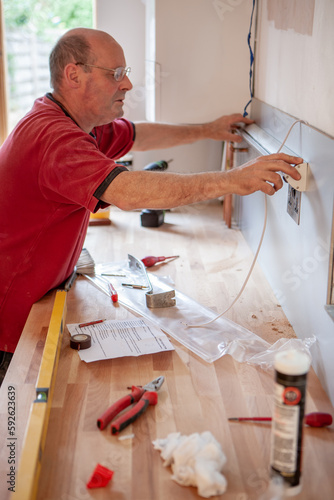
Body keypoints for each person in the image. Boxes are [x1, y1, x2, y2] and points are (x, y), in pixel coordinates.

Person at [0, 28, 302, 381]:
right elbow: (127, 191)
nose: (127, 84)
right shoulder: (54, 138)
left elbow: (139, 135)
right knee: (14, 428)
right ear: (73, 74)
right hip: (12, 318)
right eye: (116, 74)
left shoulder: (82, 125)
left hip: (41, 295)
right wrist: (232, 179)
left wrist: (209, 129)